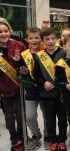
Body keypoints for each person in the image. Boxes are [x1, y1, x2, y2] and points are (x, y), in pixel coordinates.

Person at [33, 28, 68, 151]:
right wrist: (44, 82)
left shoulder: (64, 53)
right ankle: (53, 140)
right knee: (49, 120)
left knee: (63, 119)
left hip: (62, 93)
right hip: (46, 94)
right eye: (47, 39)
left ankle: (62, 139)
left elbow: (68, 72)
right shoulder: (39, 56)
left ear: (57, 39)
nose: (51, 41)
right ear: (42, 42)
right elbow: (36, 75)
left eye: (53, 38)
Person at [0, 17, 26, 151]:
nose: (3, 34)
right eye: (0, 32)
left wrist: (17, 61)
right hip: (3, 88)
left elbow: (27, 66)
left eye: (6, 30)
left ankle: (22, 136)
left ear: (9, 30)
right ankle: (14, 139)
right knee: (9, 116)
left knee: (21, 114)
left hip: (19, 86)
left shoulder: (19, 45)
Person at [19, 27, 47, 150]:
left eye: (37, 38)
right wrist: (23, 72)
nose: (34, 40)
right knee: (30, 116)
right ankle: (36, 135)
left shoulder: (46, 53)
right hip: (30, 89)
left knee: (47, 115)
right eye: (31, 38)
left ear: (41, 39)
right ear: (27, 39)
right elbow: (21, 71)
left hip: (45, 89)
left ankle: (48, 136)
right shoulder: (24, 55)